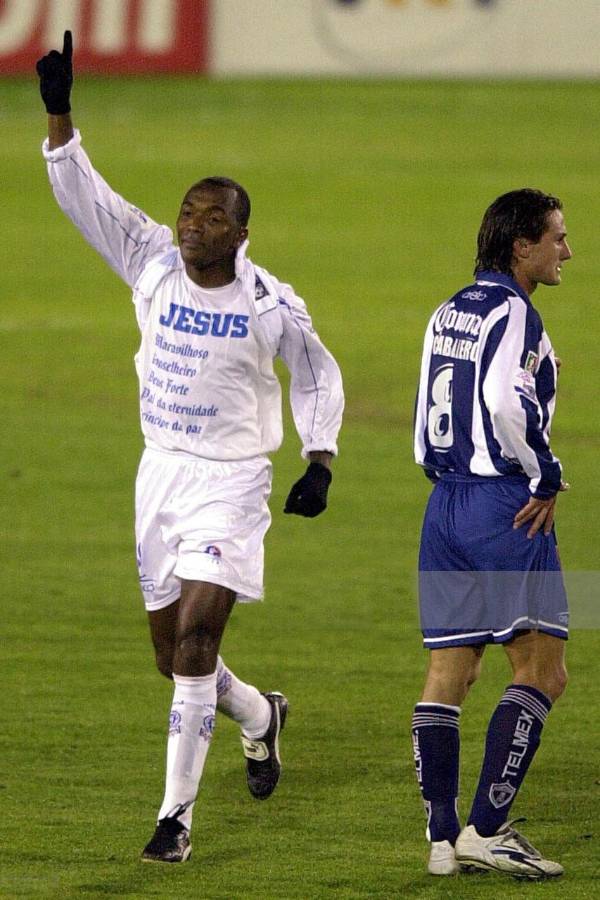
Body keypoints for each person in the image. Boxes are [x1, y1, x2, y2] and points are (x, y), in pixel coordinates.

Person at [36, 32, 344, 864]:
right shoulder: (151, 261)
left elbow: (318, 375)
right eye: (186, 212)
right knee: (172, 658)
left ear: (242, 232)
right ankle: (260, 717)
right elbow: (88, 199)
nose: (193, 227)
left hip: (233, 482)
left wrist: (321, 458)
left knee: (199, 644)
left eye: (213, 217)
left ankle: (175, 818)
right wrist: (60, 114)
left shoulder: (271, 303)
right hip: (160, 474)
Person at [412, 188, 572, 878]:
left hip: (445, 504)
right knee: (543, 669)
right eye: (557, 238)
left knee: (451, 669)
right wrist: (545, 475)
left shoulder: (449, 308)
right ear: (521, 248)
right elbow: (507, 403)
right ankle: (488, 826)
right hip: (505, 507)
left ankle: (442, 839)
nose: (567, 251)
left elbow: (428, 411)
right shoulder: (516, 313)